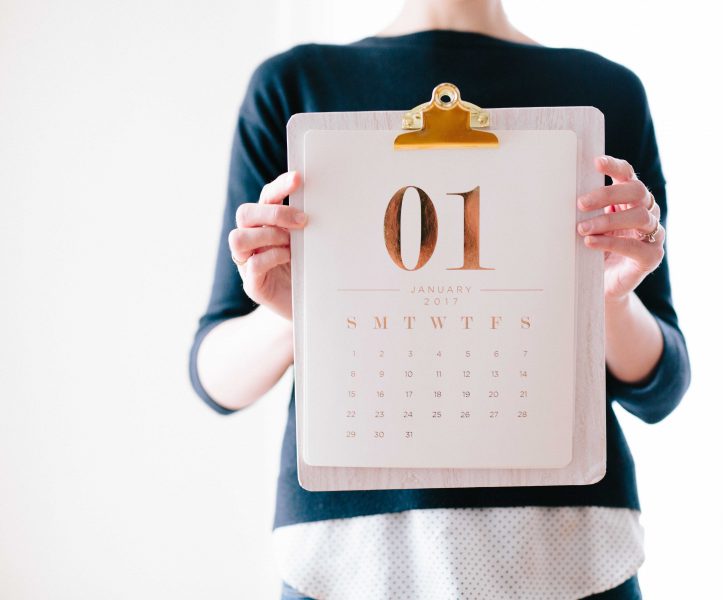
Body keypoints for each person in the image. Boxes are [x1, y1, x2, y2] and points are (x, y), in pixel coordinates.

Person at [188, 1, 691, 598]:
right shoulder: (295, 86)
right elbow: (215, 376)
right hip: (351, 557)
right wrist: (299, 315)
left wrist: (607, 299)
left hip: (566, 548)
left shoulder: (607, 92)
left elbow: (662, 384)